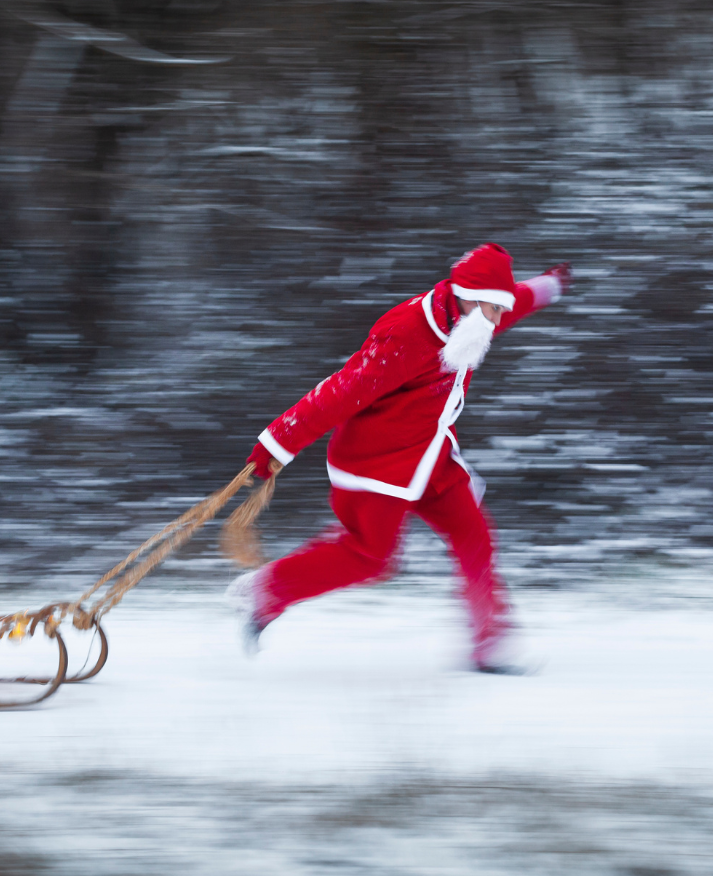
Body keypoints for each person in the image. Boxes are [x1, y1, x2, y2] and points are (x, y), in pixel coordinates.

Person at [234, 243, 571, 673]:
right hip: (377, 464)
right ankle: (268, 591)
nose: (496, 320)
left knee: (474, 536)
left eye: (499, 310)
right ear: (465, 295)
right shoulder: (409, 333)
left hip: (430, 457)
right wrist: (275, 446)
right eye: (491, 309)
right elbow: (340, 392)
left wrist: (548, 287)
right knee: (370, 557)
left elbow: (511, 301)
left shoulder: (473, 317)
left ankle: (490, 643)